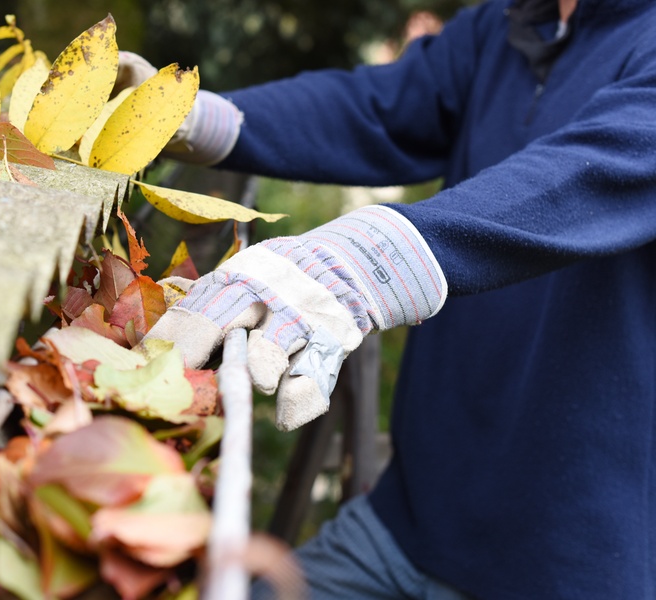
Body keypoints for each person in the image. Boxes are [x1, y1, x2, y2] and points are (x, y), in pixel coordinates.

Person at [133, 0, 656, 597]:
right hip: (405, 525)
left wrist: (371, 259)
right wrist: (197, 117)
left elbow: (597, 168)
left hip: (568, 567)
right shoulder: (507, 25)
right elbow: (375, 108)